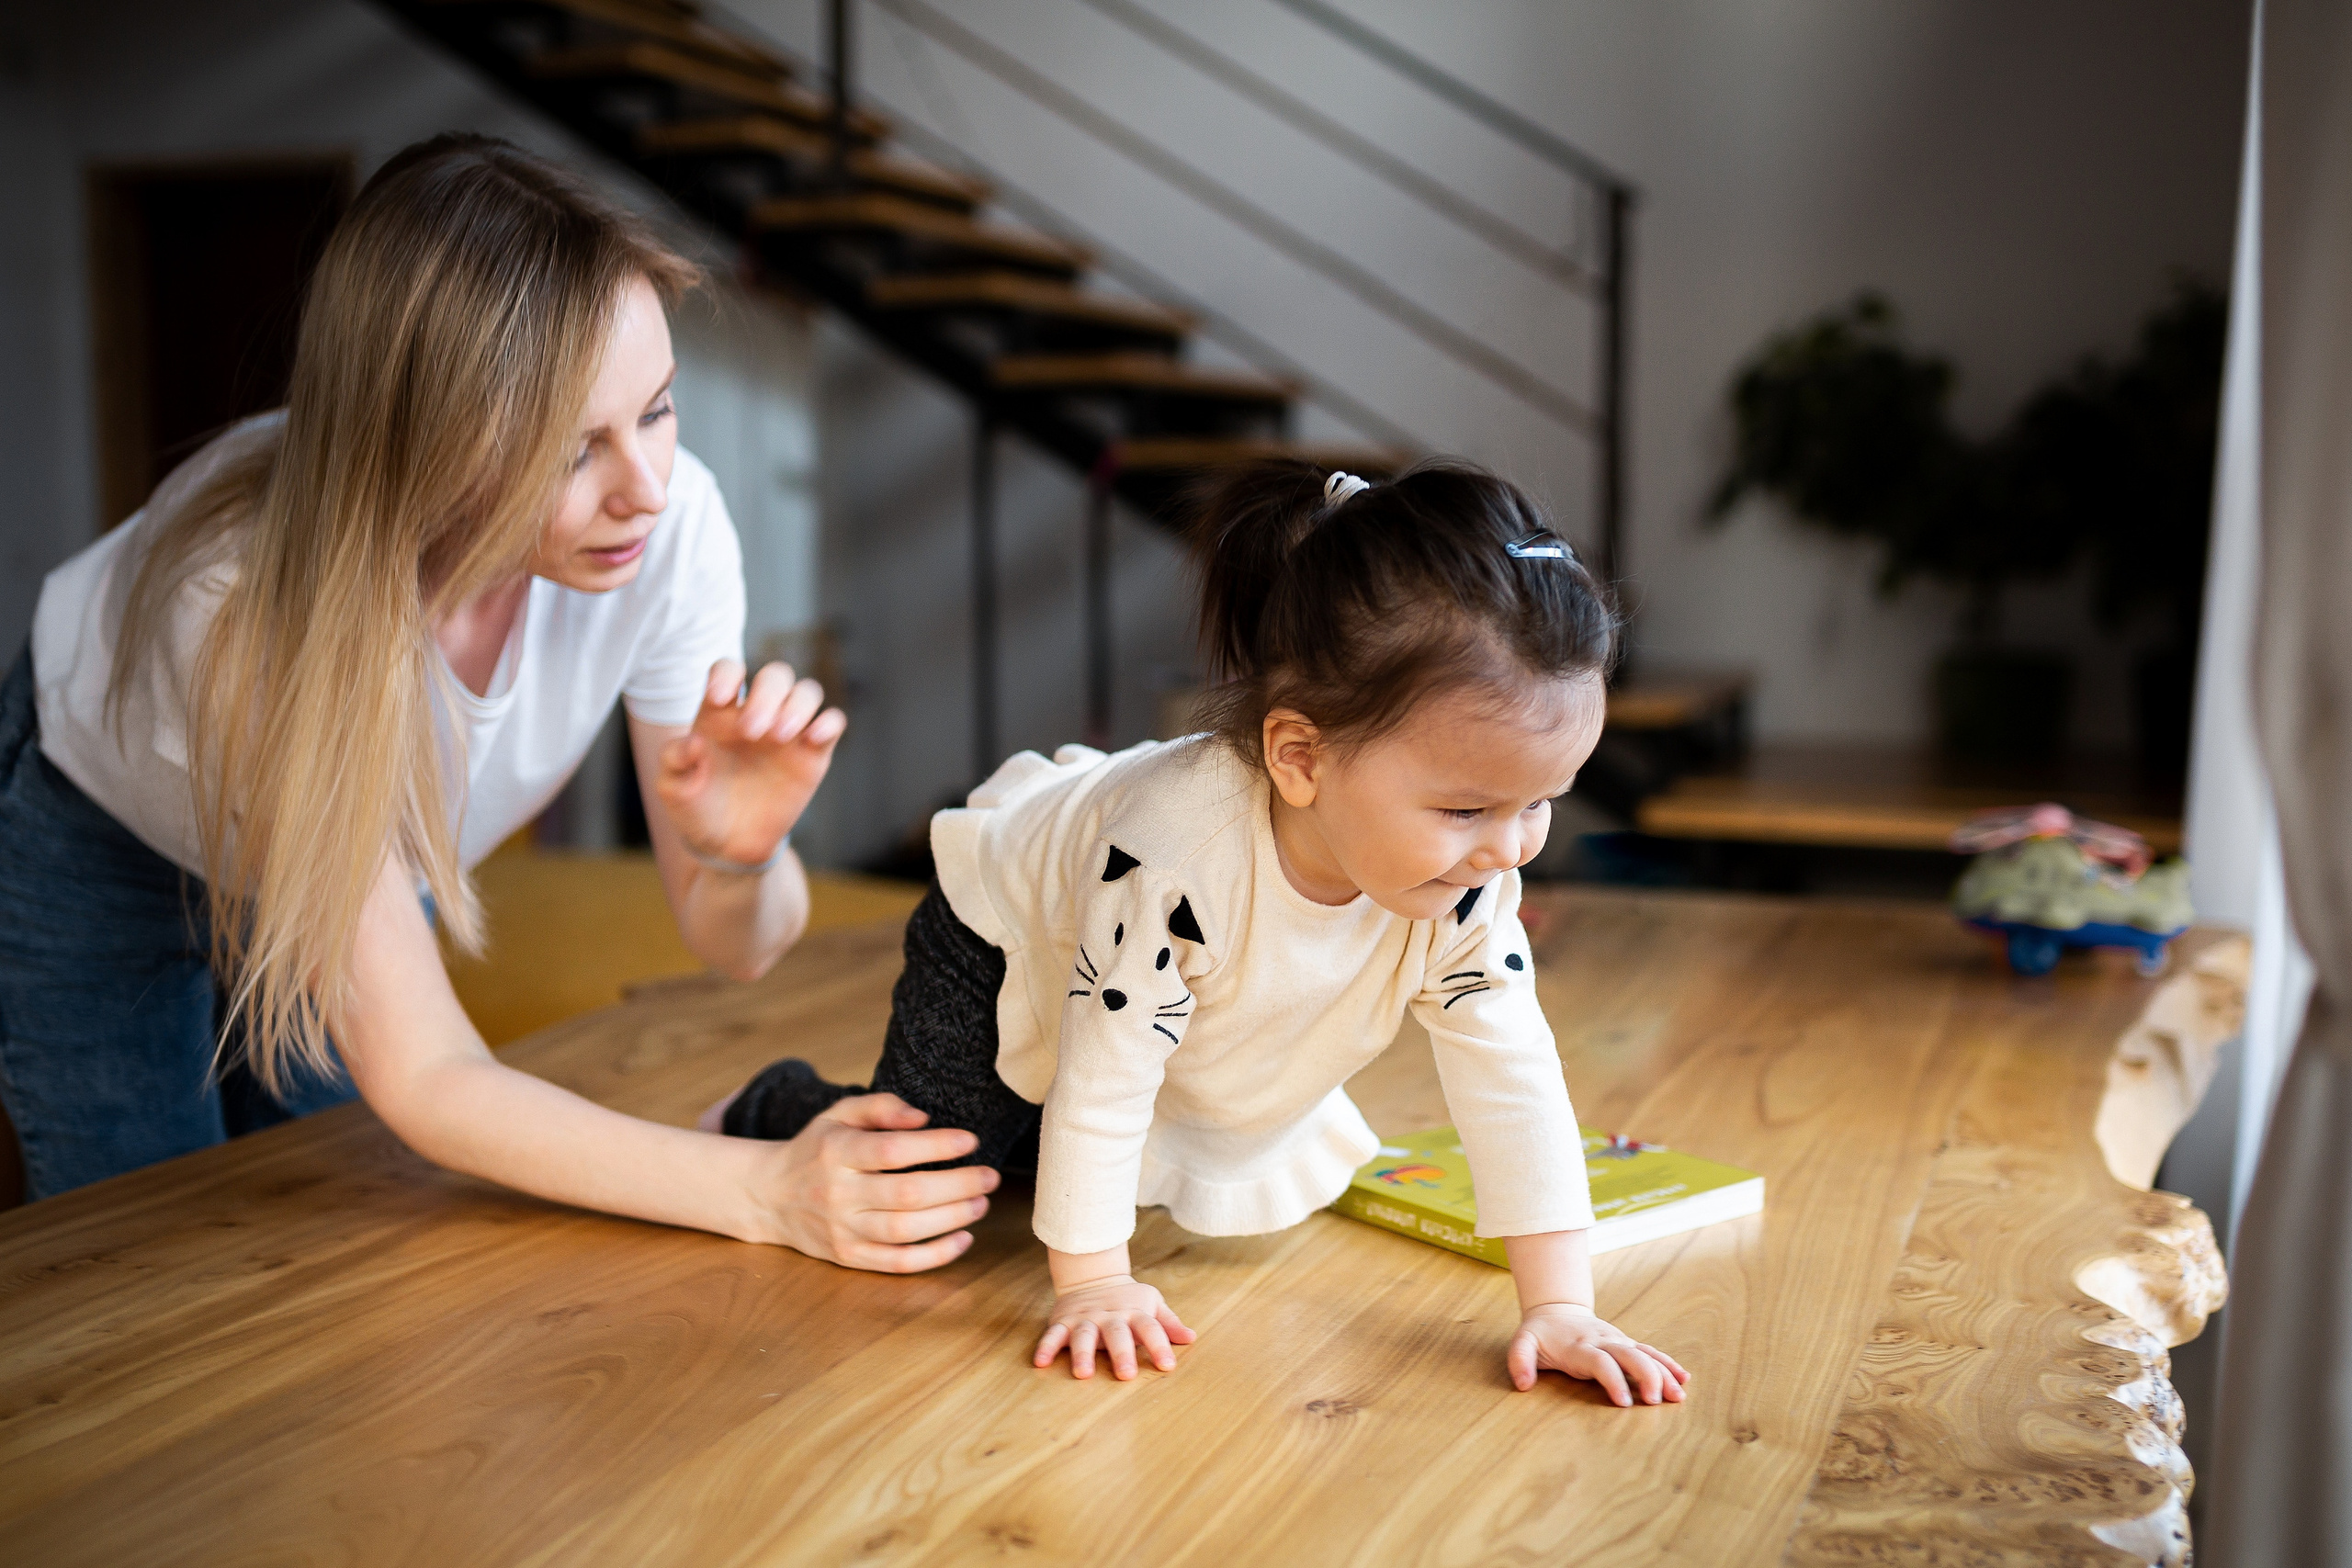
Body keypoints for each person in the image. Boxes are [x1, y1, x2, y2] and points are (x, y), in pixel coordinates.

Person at [0, 134, 996, 1271]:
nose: (647, 488)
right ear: (424, 449)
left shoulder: (669, 533)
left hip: (350, 836)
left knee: (335, 1222)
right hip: (108, 835)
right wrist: (764, 1193)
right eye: (572, 451)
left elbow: (740, 949)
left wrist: (740, 854)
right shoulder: (247, 610)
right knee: (139, 1252)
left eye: (657, 409)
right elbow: (430, 1073)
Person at [717, 461, 1691, 1404]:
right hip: (1009, 929)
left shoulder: (1470, 875)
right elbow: (1106, 1071)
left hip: (1130, 966)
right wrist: (1096, 1283)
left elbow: (1512, 1075)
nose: (1509, 849)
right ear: (1300, 758)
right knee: (928, 1184)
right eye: (1467, 809)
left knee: (1032, 1161)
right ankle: (776, 1106)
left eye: (1541, 803)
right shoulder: (1173, 861)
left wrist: (1561, 1306)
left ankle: (1019, 1141)